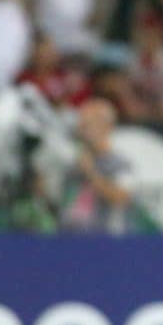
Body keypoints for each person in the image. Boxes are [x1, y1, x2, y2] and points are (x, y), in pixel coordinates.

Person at [60, 97, 136, 235]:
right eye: (80, 125)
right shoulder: (74, 162)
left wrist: (91, 172)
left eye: (86, 125)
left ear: (106, 127)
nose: (80, 131)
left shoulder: (121, 164)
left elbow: (122, 197)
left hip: (106, 241)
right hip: (71, 239)